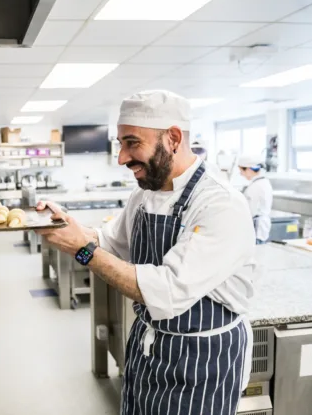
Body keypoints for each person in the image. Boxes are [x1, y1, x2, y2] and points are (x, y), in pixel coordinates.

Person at [37, 90, 255, 415]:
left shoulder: (220, 204)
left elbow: (165, 290)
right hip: (146, 346)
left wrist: (82, 250)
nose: (122, 158)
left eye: (132, 143)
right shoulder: (144, 196)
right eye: (120, 144)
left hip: (201, 359)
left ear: (173, 138)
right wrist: (66, 224)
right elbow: (109, 241)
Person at [238, 155, 273, 244]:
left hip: (257, 228)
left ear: (249, 169)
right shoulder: (261, 182)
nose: (241, 174)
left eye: (241, 170)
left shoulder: (257, 186)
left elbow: (250, 210)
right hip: (259, 227)